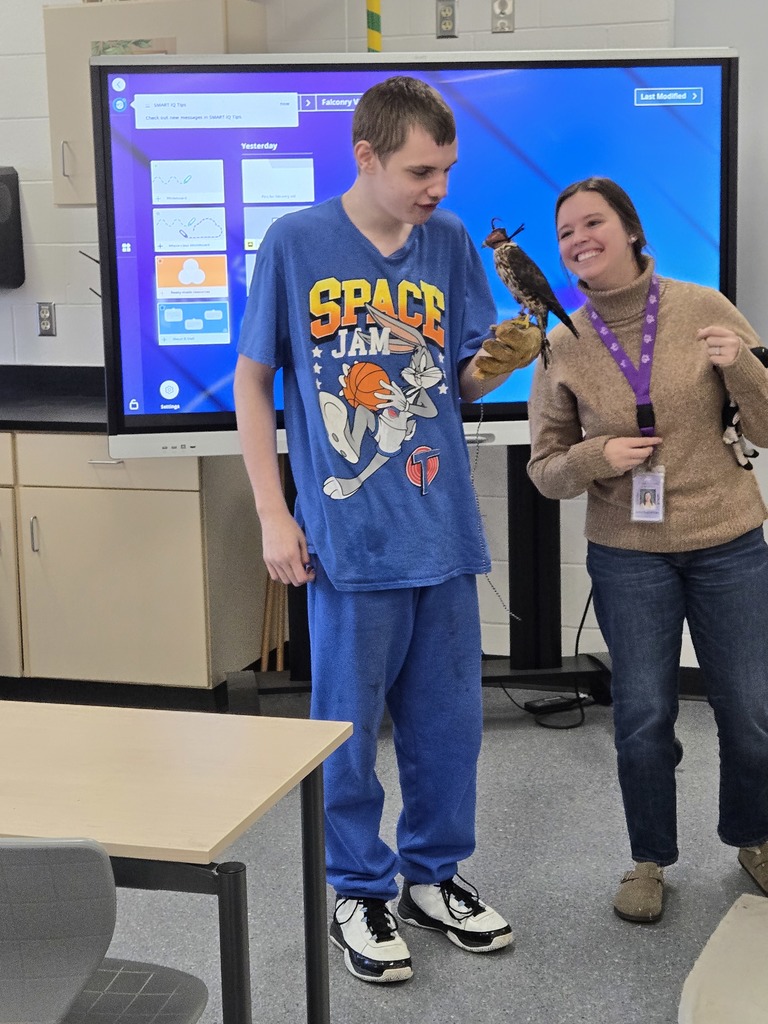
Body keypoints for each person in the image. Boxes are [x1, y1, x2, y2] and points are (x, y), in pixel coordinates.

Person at [234, 76, 514, 983]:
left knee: (447, 729)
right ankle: (358, 888)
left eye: (447, 169)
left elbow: (458, 383)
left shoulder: (450, 241)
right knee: (347, 732)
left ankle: (434, 877)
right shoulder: (296, 243)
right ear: (366, 156)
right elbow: (252, 381)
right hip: (348, 542)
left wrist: (502, 361)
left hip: (443, 532)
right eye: (421, 170)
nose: (438, 187)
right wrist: (275, 513)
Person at [527, 176, 768, 924]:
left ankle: (754, 837)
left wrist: (743, 365)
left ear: (631, 230)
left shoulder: (704, 308)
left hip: (729, 541)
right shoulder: (560, 340)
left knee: (753, 708)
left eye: (592, 223)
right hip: (628, 555)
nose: (577, 240)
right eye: (565, 232)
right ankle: (648, 860)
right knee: (640, 715)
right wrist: (600, 455)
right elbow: (545, 470)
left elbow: (766, 427)